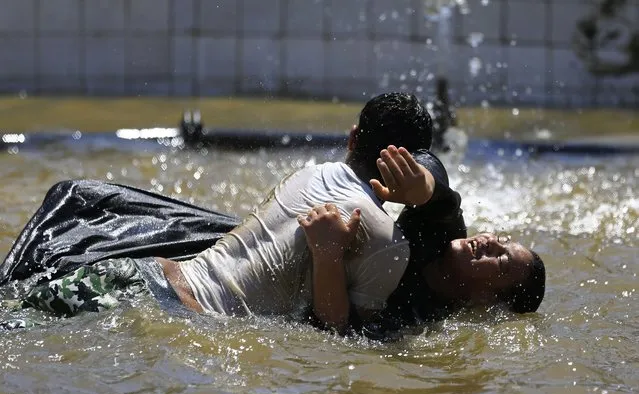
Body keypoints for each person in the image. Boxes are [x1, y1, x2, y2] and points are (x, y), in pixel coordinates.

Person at [1, 92, 438, 333]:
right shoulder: (386, 241)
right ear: (418, 164)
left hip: (136, 274)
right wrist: (327, 256)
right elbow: (339, 336)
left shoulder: (308, 174)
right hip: (176, 311)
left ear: (353, 136)